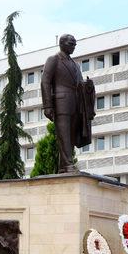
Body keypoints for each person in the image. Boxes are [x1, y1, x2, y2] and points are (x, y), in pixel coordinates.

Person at [41, 34, 96, 173]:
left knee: (70, 137)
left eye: (75, 44)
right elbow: (45, 82)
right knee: (63, 135)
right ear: (62, 44)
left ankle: (63, 166)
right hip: (61, 104)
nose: (73, 47)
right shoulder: (54, 59)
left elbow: (79, 84)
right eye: (71, 44)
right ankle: (68, 164)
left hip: (76, 104)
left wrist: (88, 86)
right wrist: (47, 105)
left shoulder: (75, 65)